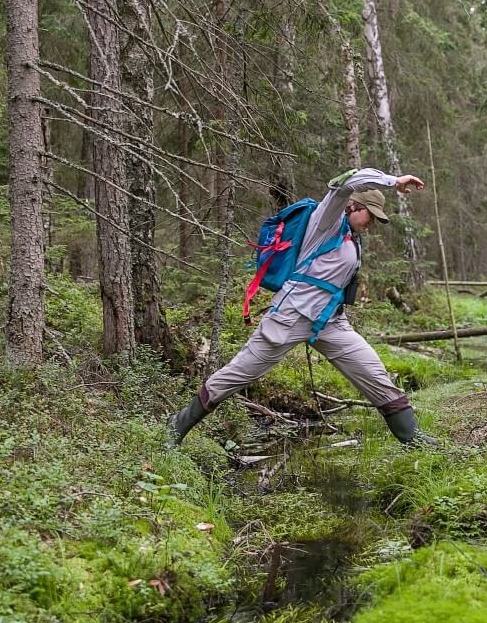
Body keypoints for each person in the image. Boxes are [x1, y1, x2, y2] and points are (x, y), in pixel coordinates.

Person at [169, 168, 436, 446]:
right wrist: (393, 181)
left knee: (374, 373)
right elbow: (346, 181)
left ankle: (414, 440)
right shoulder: (326, 222)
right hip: (290, 318)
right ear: (352, 206)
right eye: (370, 214)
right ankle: (177, 426)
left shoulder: (353, 238)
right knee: (239, 374)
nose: (372, 223)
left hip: (330, 323)